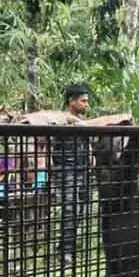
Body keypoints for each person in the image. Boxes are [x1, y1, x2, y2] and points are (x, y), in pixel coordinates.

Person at [52, 83, 92, 266]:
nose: (86, 105)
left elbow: (86, 141)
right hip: (66, 170)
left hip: (82, 169)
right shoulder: (61, 120)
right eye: (83, 101)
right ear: (71, 101)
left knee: (81, 210)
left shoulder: (83, 122)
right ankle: (66, 252)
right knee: (71, 208)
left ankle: (65, 246)